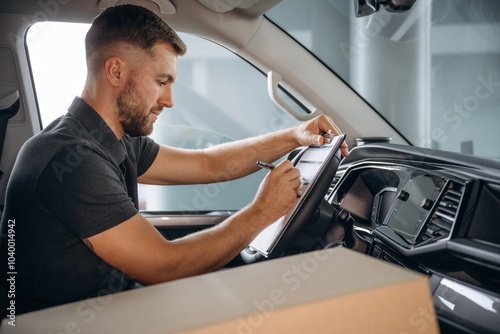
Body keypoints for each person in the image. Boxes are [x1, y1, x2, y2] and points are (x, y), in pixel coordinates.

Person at [0, 4, 348, 315]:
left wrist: (293, 135)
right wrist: (262, 212)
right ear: (116, 72)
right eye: (161, 81)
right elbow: (164, 267)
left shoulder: (112, 138)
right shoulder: (72, 159)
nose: (169, 100)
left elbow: (209, 164)